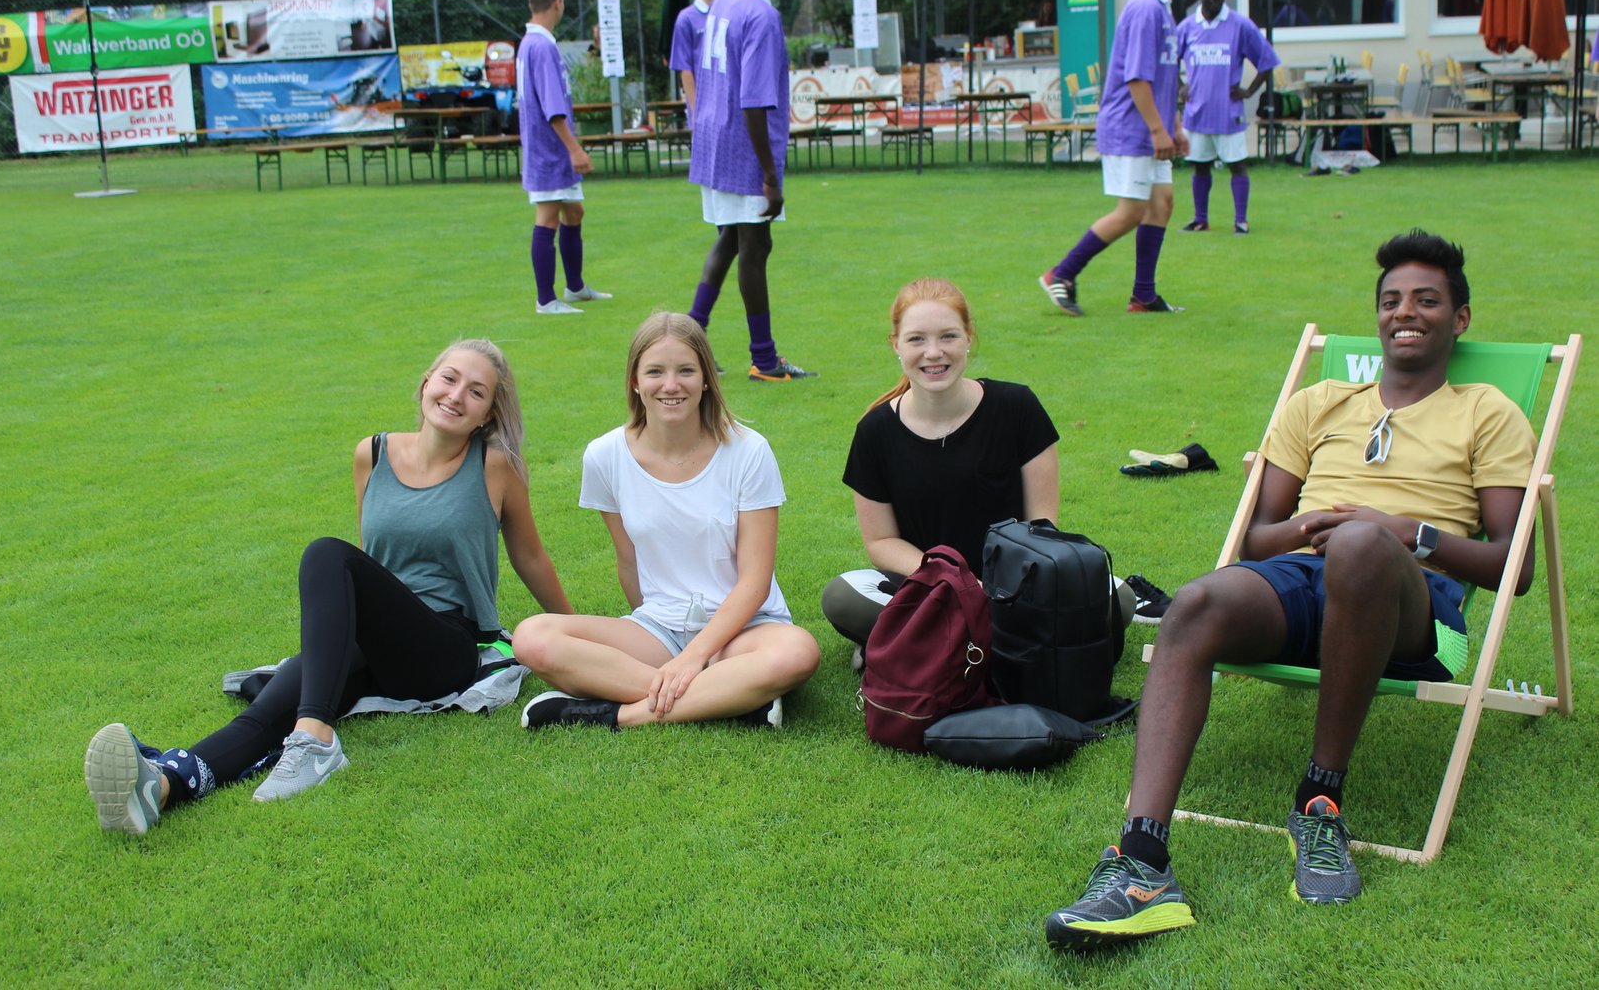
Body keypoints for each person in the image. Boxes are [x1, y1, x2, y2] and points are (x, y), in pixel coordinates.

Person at [1044, 230, 1536, 950]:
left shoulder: (1486, 411)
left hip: (1421, 613)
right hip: (1304, 579)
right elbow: (1258, 538)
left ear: (1459, 318)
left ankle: (1319, 802)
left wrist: (1405, 532)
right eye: (1392, 300)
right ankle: (1142, 862)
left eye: (1427, 300)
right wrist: (1312, 523)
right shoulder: (1321, 402)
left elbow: (1512, 566)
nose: (1406, 312)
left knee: (1363, 546)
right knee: (1198, 602)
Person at [83, 340, 573, 834]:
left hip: (443, 647)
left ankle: (316, 740)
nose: (456, 395)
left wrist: (574, 635)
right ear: (427, 382)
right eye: (449, 378)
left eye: (476, 391)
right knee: (271, 709)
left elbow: (529, 557)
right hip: (373, 641)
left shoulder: (495, 466)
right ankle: (162, 787)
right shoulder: (372, 454)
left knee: (326, 554)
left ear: (488, 415)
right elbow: (370, 561)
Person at [514, 312, 821, 730]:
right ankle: (731, 697)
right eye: (655, 371)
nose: (671, 385)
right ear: (635, 381)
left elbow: (755, 582)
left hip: (745, 630)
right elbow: (628, 560)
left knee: (798, 652)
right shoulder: (605, 456)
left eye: (686, 371)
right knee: (533, 637)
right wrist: (670, 652)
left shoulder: (749, 452)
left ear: (706, 379)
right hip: (659, 627)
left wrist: (693, 657)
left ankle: (618, 715)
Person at [822, 279, 1138, 668]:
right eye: (917, 339)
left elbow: (1042, 527)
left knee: (1117, 598)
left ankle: (921, 648)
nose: (933, 352)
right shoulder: (875, 431)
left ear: (968, 337)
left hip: (1015, 588)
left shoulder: (1017, 406)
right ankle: (991, 647)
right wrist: (954, 582)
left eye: (948, 336)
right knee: (842, 596)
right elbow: (881, 541)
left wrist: (1003, 591)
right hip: (928, 590)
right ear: (896, 344)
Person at [684, 0, 816, 382]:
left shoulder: (723, 1)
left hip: (713, 140)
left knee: (731, 239)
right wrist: (770, 176)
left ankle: (689, 337)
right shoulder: (761, 14)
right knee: (755, 245)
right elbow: (755, 100)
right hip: (742, 146)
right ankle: (764, 358)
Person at [1039, 0, 1193, 318]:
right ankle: (1062, 273)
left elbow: (1164, 79)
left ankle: (1143, 295)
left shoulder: (1162, 8)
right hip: (1131, 128)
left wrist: (1174, 126)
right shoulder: (1145, 8)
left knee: (1162, 203)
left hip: (1151, 127)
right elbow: (1137, 78)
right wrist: (1157, 130)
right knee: (1132, 211)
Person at [518, 0, 612, 315]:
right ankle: (546, 300)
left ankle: (575, 287)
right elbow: (552, 107)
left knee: (574, 211)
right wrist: (574, 148)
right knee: (547, 217)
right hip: (549, 150)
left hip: (550, 148)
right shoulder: (541, 46)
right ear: (558, 2)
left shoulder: (531, 43)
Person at [1176, 0, 1279, 234]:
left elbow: (1267, 61)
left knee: (1237, 165)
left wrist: (1248, 91)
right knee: (1200, 166)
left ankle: (1241, 221)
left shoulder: (1240, 25)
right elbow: (1166, 62)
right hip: (1197, 112)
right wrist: (1179, 87)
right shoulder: (1187, 27)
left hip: (1228, 112)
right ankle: (1201, 220)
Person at [670, 0, 732, 116]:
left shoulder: (732, 13)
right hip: (705, 108)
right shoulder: (686, 19)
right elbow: (685, 69)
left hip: (731, 105)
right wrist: (697, 112)